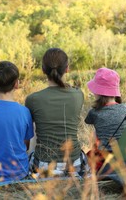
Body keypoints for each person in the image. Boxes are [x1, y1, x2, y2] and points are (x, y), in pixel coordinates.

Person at [25, 48, 87, 177]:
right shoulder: (78, 95)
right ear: (67, 69)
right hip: (74, 163)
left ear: (43, 69)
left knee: (35, 124)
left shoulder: (33, 99)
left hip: (43, 165)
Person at [85, 67, 126, 170]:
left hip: (104, 159)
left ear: (98, 92)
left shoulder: (94, 112)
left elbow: (92, 130)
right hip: (125, 157)